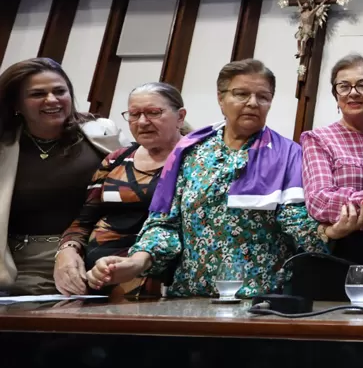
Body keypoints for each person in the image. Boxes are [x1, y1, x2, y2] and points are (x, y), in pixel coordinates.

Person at [88, 60, 328, 297]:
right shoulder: (190, 151)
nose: (253, 103)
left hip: (262, 299)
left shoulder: (289, 155)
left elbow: (298, 224)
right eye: (241, 94)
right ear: (221, 99)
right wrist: (137, 262)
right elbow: (165, 223)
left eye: (263, 97)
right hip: (192, 296)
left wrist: (331, 231)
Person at [0, 58, 120, 294]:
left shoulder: (103, 134)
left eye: (59, 91)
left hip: (93, 257)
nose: (52, 100)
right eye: (37, 94)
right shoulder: (4, 144)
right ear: (16, 103)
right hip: (19, 267)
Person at [56, 83, 188, 296]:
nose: (143, 122)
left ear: (180, 117)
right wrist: (67, 250)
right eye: (134, 114)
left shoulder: (196, 160)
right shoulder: (116, 159)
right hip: (95, 276)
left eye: (154, 112)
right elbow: (85, 219)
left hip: (156, 274)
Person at [299, 55, 363, 299]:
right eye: (344, 86)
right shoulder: (318, 139)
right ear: (336, 96)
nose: (353, 92)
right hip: (342, 250)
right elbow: (319, 200)